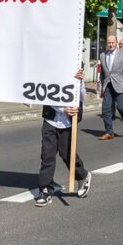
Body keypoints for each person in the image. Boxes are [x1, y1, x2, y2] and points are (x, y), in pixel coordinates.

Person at [34, 70, 91, 207]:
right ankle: (45, 189)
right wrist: (62, 109)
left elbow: (82, 97)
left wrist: (81, 80)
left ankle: (82, 176)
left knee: (67, 154)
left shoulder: (77, 69)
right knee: (47, 155)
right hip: (50, 120)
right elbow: (46, 95)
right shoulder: (51, 70)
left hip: (68, 122)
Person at [96, 35, 123, 139]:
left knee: (121, 107)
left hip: (121, 84)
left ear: (116, 43)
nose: (111, 45)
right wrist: (100, 88)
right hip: (107, 85)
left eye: (113, 42)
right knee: (105, 109)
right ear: (107, 43)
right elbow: (102, 74)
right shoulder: (102, 55)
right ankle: (109, 132)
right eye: (109, 43)